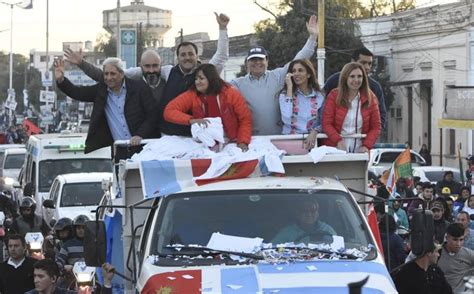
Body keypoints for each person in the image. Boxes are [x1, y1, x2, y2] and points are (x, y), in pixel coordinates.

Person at [67, 13, 230, 137]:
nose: (152, 70)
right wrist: (82, 63)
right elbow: (111, 77)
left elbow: (221, 57)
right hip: (168, 135)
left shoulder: (203, 74)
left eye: (190, 54)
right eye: (183, 55)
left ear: (196, 56)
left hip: (197, 134)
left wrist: (223, 29)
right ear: (177, 58)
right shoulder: (168, 72)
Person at [231, 15, 319, 136]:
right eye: (253, 60)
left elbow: (300, 58)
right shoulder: (237, 83)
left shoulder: (278, 75)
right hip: (253, 140)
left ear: (267, 61)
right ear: (247, 63)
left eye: (260, 59)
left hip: (279, 138)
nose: (257, 63)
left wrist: (312, 37)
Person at [54, 57, 159, 156]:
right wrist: (61, 79)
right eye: (106, 74)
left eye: (113, 74)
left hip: (145, 148)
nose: (109, 78)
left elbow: (153, 115)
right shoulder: (101, 91)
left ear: (122, 74)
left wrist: (140, 135)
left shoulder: (139, 88)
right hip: (120, 151)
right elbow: (77, 92)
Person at [164, 63, 252, 151]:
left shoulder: (231, 93)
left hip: (231, 142)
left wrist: (242, 142)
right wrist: (191, 120)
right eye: (196, 79)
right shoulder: (192, 95)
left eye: (201, 78)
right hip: (204, 144)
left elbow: (245, 119)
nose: (197, 82)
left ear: (211, 79)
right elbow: (169, 111)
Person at [322, 62, 381, 152]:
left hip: (360, 151)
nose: (356, 80)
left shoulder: (371, 98)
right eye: (352, 76)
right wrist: (338, 141)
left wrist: (366, 146)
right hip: (335, 150)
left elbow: (376, 127)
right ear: (345, 77)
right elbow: (326, 123)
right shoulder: (334, 95)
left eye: (359, 76)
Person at [323, 47, 387, 129]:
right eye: (363, 63)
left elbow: (381, 115)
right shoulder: (334, 80)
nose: (367, 67)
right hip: (336, 137)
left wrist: (371, 134)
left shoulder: (375, 87)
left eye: (370, 63)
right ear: (353, 61)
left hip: (363, 138)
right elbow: (322, 109)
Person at [279, 59, 324, 149]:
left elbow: (324, 120)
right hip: (290, 143)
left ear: (308, 74)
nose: (296, 73)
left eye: (300, 70)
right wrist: (290, 88)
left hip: (313, 142)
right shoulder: (284, 94)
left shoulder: (319, 95)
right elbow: (286, 116)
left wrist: (315, 131)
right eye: (293, 71)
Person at [272, 198, 336, 244]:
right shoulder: (287, 233)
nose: (309, 214)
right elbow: (272, 248)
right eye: (304, 211)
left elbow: (339, 248)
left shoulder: (328, 230)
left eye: (312, 211)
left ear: (317, 213)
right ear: (298, 213)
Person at [437, 223, 474, 293]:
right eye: (455, 240)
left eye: (461, 240)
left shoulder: (468, 254)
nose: (458, 244)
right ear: (447, 237)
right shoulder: (436, 253)